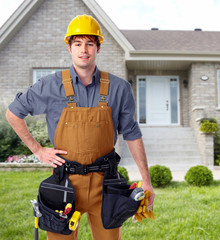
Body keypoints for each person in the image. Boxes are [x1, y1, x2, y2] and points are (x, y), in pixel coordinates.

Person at [6, 15, 154, 240]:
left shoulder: (119, 88)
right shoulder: (50, 85)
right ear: (69, 48)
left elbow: (132, 133)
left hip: (105, 185)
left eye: (90, 43)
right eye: (78, 44)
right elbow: (13, 113)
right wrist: (38, 150)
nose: (83, 49)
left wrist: (146, 180)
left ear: (98, 48)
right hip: (64, 186)